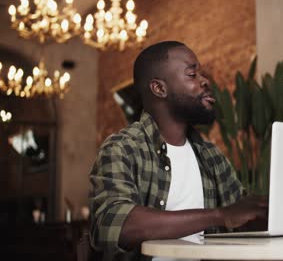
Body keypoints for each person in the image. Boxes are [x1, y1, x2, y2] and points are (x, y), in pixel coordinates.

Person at [89, 41, 267, 261]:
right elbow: (113, 224)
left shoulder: (211, 155)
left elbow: (242, 214)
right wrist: (220, 215)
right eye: (192, 74)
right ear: (159, 88)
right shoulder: (122, 148)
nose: (205, 81)